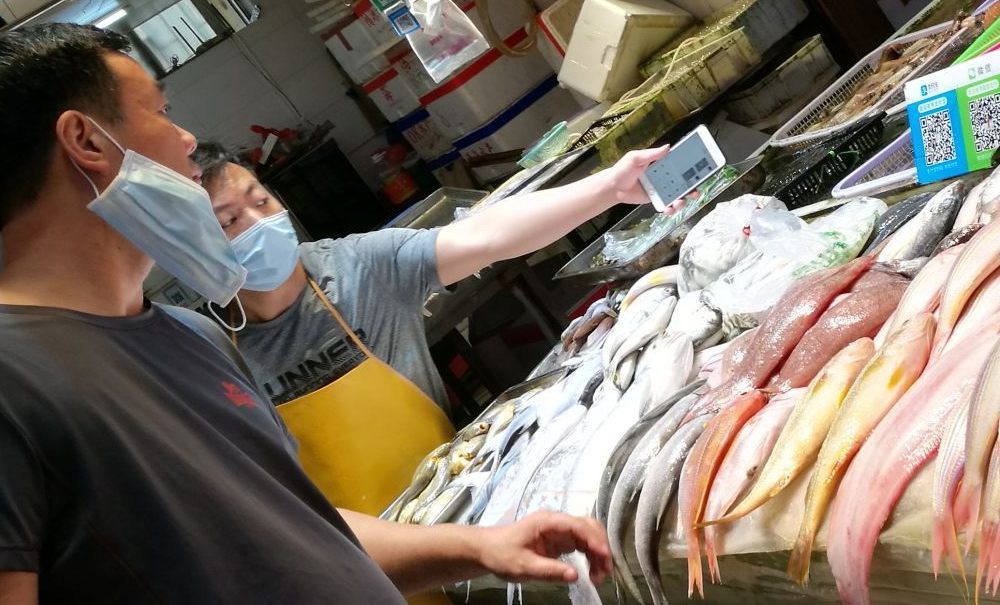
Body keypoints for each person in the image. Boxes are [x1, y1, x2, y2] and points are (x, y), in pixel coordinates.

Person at [0, 21, 612, 605]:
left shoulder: (191, 335)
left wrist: (477, 545)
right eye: (160, 112)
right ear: (87, 141)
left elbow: (299, 531)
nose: (187, 140)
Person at [187, 139, 664, 512]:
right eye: (229, 221)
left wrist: (609, 188)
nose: (259, 222)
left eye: (262, 201)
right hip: (360, 553)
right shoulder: (202, 353)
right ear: (194, 248)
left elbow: (484, 235)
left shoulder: (359, 267)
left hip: (458, 500)